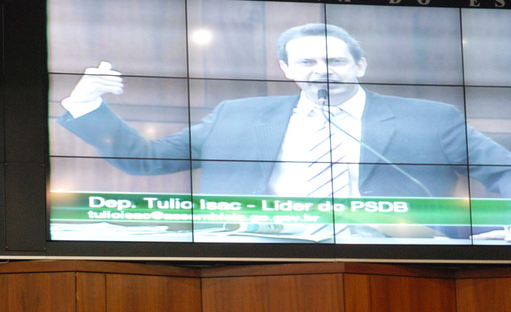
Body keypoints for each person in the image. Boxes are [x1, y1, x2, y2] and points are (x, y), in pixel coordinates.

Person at [58, 23, 511, 236]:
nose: (322, 71)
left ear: (360, 65)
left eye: (335, 61)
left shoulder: (429, 118)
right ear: (287, 69)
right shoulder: (237, 115)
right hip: (254, 244)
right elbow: (145, 160)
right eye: (307, 62)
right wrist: (85, 103)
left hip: (393, 248)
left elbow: (503, 171)